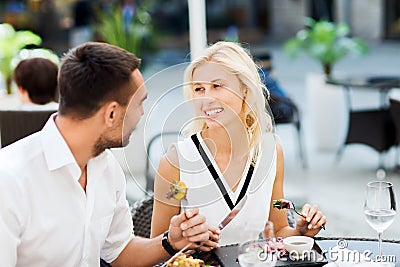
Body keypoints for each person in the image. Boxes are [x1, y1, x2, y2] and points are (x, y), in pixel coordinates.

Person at [0, 42, 217, 266]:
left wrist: (171, 242)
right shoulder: (9, 181)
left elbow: (120, 252)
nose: (142, 113)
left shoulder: (106, 166)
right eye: (139, 104)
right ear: (112, 113)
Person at [151, 41, 327, 246]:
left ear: (244, 90)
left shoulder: (271, 153)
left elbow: (277, 229)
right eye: (199, 89)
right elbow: (157, 247)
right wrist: (185, 243)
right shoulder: (176, 162)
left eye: (217, 86)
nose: (206, 98)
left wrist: (300, 230)